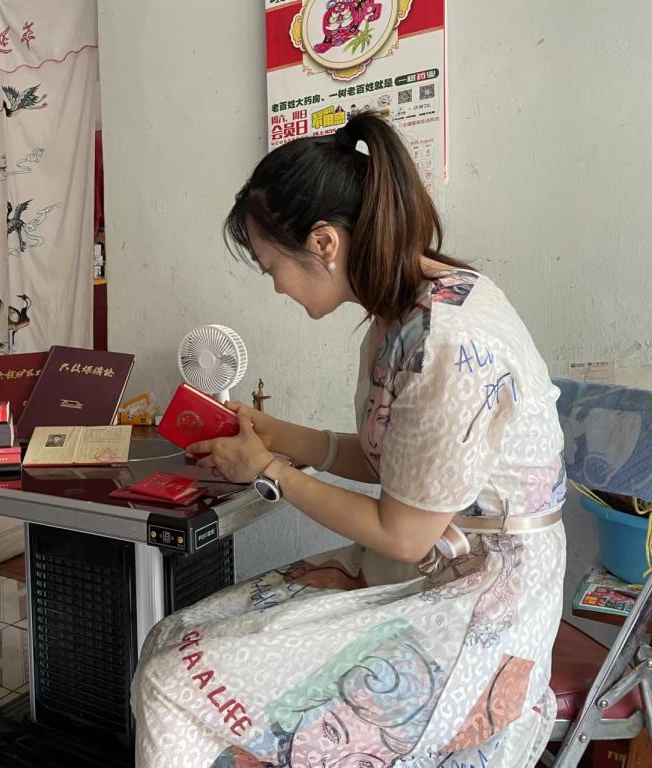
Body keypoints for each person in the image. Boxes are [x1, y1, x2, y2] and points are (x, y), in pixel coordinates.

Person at [132, 113, 566, 768]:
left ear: (324, 242)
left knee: (173, 684)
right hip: (430, 566)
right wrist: (283, 437)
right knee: (174, 636)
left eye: (271, 265)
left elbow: (404, 533)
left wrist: (271, 471)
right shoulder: (402, 313)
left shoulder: (445, 341)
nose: (275, 284)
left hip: (478, 606)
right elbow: (398, 465)